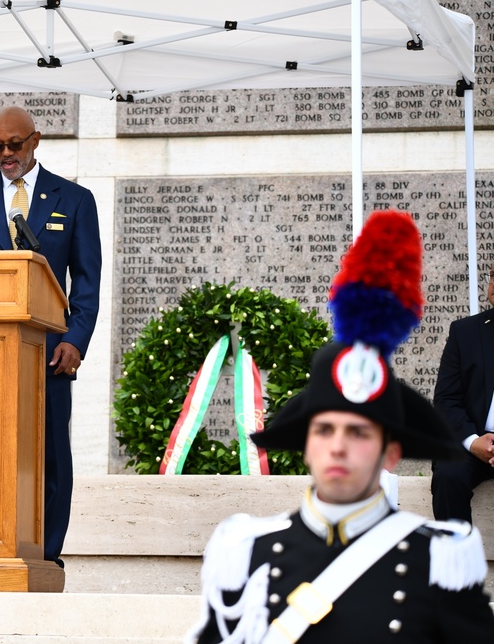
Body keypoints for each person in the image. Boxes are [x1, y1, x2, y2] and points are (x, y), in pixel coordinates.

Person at [187, 211, 493, 644]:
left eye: (359, 432)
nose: (338, 446)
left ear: (391, 452)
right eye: (324, 430)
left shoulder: (439, 560)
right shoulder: (248, 554)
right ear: (306, 444)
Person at [0, 105, 102, 567]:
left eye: (14, 144)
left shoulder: (74, 200)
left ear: (36, 140)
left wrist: (77, 338)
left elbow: (86, 281)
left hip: (51, 352)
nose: (6, 154)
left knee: (50, 456)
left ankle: (47, 554)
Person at [431, 260, 494, 522]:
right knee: (449, 476)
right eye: (493, 275)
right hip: (476, 443)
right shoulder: (465, 332)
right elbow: (447, 399)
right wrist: (472, 441)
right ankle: (455, 561)